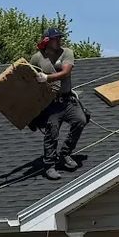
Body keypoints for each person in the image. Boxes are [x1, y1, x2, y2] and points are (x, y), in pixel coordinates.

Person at [31, 28, 87, 178]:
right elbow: (29, 80)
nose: (59, 41)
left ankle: (65, 154)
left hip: (67, 99)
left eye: (59, 38)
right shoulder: (37, 58)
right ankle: (49, 165)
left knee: (80, 120)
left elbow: (66, 72)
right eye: (56, 39)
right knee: (52, 132)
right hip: (51, 104)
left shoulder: (66, 52)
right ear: (47, 41)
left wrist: (47, 78)